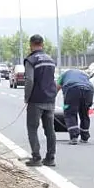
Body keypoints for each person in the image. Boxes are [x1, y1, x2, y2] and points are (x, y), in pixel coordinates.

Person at [23, 34, 58, 167]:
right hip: (50, 99)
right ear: (42, 44)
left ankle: (36, 157)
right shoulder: (50, 59)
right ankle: (50, 158)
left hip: (36, 100)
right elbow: (52, 79)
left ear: (31, 44)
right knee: (50, 129)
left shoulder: (31, 60)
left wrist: (27, 97)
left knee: (32, 128)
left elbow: (29, 80)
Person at [57, 69, 94, 144]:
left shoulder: (63, 75)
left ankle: (74, 137)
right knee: (84, 113)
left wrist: (50, 101)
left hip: (72, 89)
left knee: (70, 113)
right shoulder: (84, 74)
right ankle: (84, 137)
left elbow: (56, 88)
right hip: (88, 90)